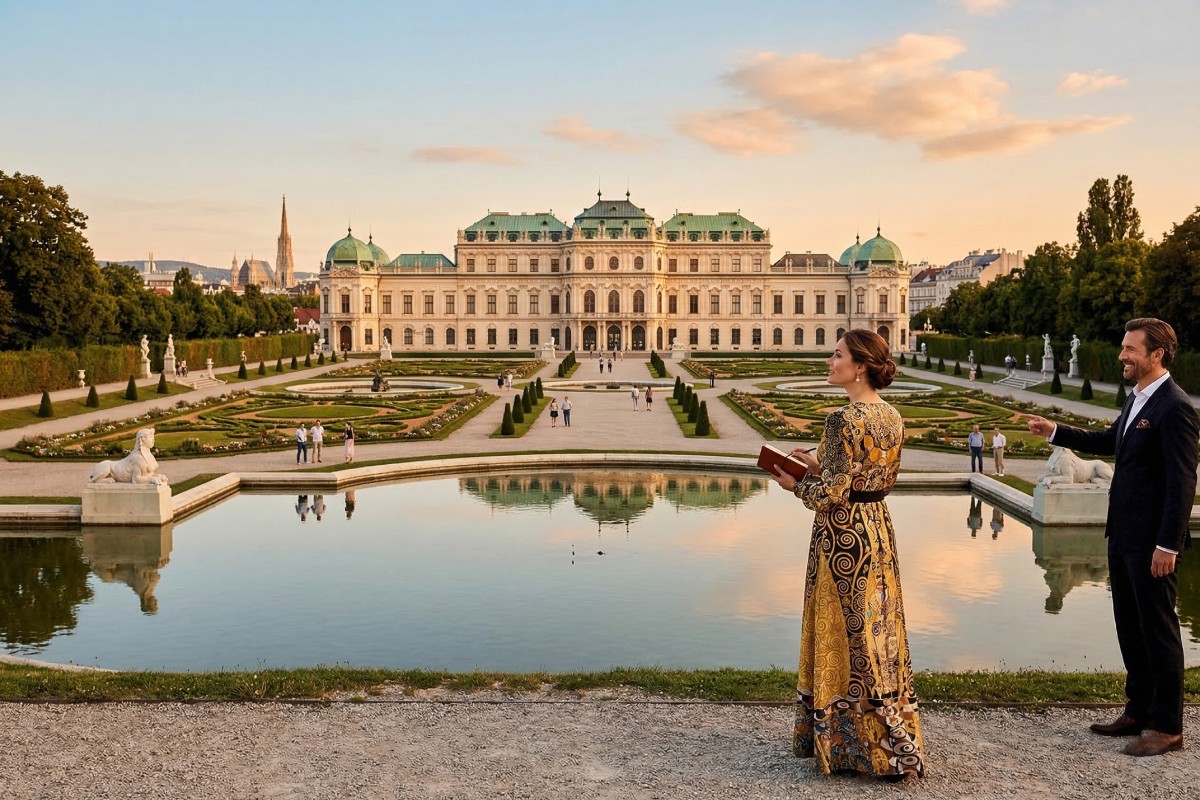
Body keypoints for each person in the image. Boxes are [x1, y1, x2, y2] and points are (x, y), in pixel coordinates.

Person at [1027, 318, 1198, 757]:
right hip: (1122, 537)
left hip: (1152, 544)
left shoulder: (1175, 407)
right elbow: (1110, 442)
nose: (1122, 355)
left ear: (1156, 354)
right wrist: (1055, 432)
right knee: (1131, 627)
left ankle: (1168, 727)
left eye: (1130, 349)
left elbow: (1182, 483)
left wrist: (1168, 545)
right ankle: (1138, 711)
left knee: (1159, 632)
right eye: (1123, 347)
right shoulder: (1138, 398)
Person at [769, 328, 924, 780]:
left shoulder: (841, 420)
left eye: (837, 355)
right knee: (879, 632)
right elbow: (866, 477)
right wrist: (818, 464)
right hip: (878, 530)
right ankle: (892, 738)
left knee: (844, 636)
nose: (829, 361)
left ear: (859, 367)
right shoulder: (891, 415)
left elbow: (831, 495)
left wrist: (796, 484)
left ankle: (850, 745)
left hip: (842, 539)